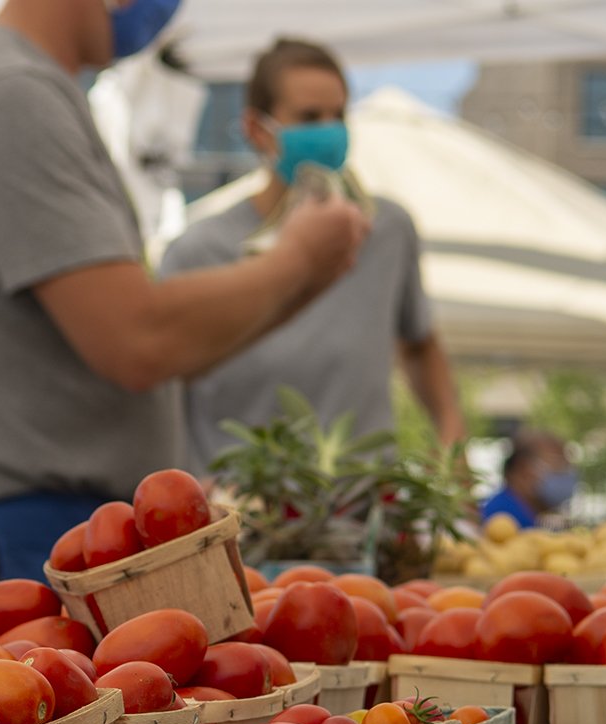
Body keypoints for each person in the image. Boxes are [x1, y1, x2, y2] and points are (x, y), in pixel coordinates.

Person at [0, 1, 371, 634]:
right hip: (16, 544)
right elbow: (137, 341)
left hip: (46, 533)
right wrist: (297, 261)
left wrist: (305, 274)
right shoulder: (10, 94)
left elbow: (158, 346)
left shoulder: (20, 86)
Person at [158, 38, 464, 472]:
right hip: (240, 518)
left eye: (337, 115)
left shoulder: (385, 230)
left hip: (363, 510)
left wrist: (452, 441)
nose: (328, 130)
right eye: (308, 118)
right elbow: (160, 389)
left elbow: (421, 343)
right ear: (256, 129)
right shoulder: (196, 251)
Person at [482, 435, 576, 528]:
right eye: (559, 468)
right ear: (523, 468)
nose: (565, 477)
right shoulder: (501, 521)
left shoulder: (526, 519)